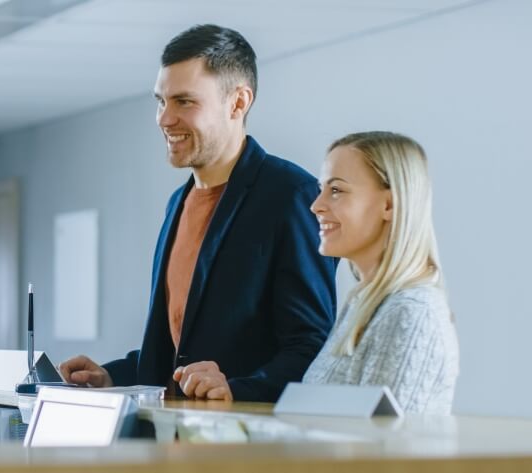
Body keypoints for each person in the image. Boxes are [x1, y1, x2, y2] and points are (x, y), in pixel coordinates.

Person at [59, 24, 337, 402]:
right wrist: (110, 375)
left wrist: (235, 390)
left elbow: (310, 348)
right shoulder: (178, 201)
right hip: (170, 442)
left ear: (238, 103)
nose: (164, 118)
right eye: (161, 101)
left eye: (184, 102)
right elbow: (179, 348)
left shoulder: (292, 196)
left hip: (243, 448)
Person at [303, 131, 458, 414]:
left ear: (389, 204)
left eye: (336, 190)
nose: (316, 206)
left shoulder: (412, 312)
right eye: (322, 189)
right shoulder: (362, 305)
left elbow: (385, 450)